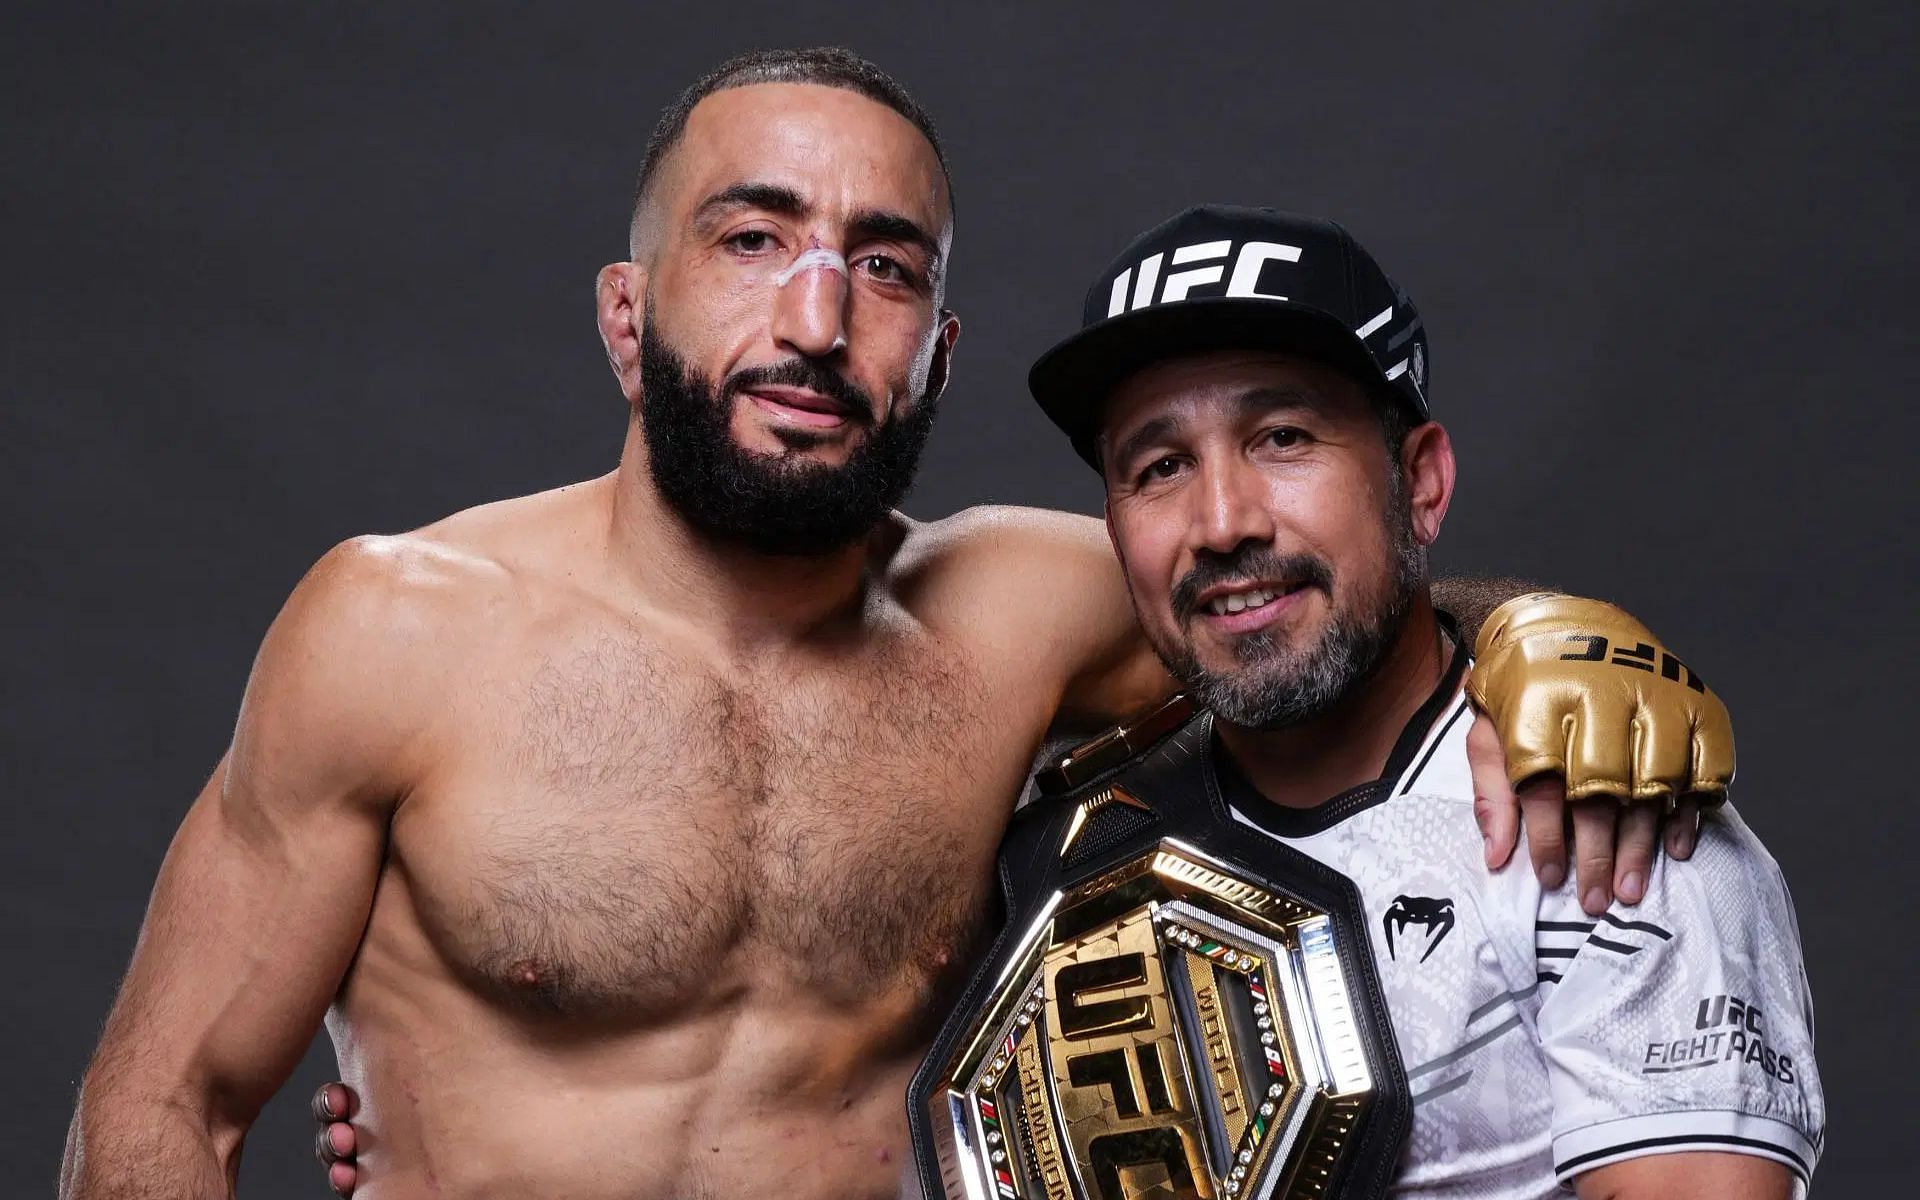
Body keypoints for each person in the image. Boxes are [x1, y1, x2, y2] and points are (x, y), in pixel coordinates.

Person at [60, 51, 1726, 1200]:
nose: (815, 315)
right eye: (754, 239)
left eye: (885, 266)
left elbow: (1301, 601)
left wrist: (1553, 631)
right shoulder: (396, 631)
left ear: (937, 342)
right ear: (627, 314)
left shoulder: (1022, 616)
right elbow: (164, 1104)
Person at [990, 202, 1821, 1197]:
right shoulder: (1072, 855)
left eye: (1283, 437)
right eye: (1160, 467)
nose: (1220, 522)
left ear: (1420, 483)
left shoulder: (1600, 827)